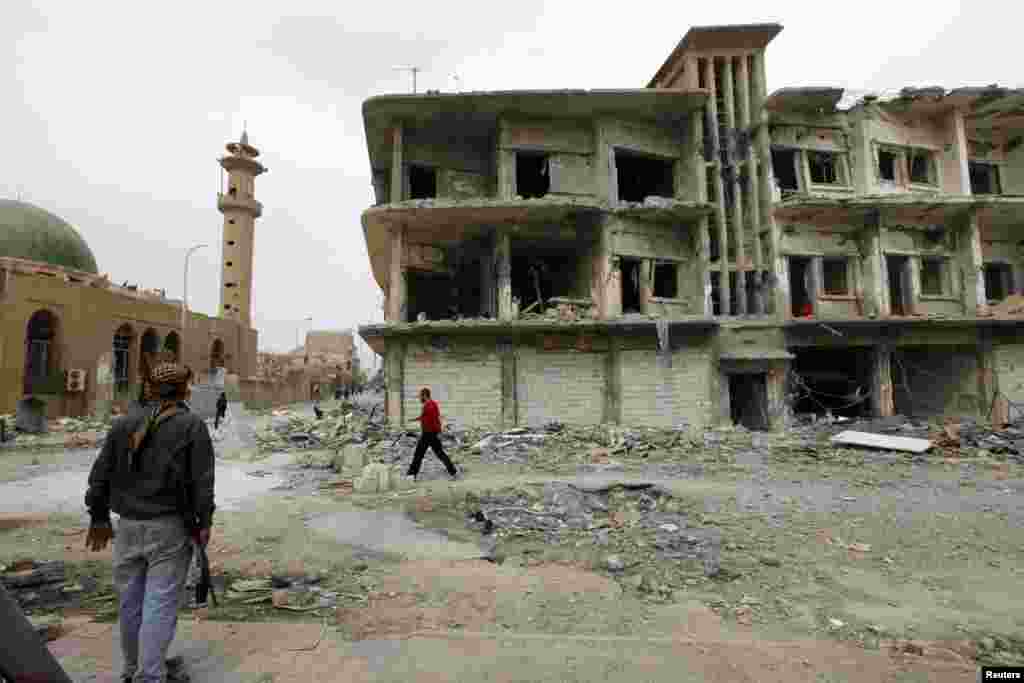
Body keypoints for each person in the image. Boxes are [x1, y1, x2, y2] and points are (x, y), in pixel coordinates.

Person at [84, 361, 215, 683]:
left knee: (130, 603)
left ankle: (134, 670)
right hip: (169, 529)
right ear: (184, 389)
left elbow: (99, 476)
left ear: (150, 389)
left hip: (127, 526)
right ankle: (150, 676)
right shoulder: (191, 425)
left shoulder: (123, 424)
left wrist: (99, 517)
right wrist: (204, 523)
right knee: (160, 602)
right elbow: (203, 483)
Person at [406, 387, 459, 482]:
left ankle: (411, 475)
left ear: (424, 396)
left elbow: (434, 420)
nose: (419, 398)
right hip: (431, 434)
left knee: (418, 455)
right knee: (440, 454)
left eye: (420, 396)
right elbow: (426, 417)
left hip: (428, 434)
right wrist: (415, 419)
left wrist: (438, 432)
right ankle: (454, 473)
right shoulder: (431, 404)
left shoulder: (429, 405)